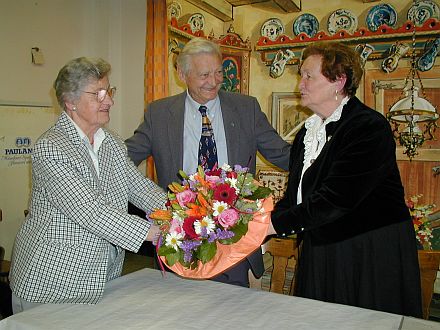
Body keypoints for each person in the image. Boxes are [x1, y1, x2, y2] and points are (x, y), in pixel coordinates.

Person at [268, 42, 422, 317]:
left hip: (367, 251)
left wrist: (272, 224)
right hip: (324, 245)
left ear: (339, 81)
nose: (300, 84)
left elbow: (336, 199)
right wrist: (258, 222)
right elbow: (295, 196)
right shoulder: (308, 132)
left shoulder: (367, 126)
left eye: (308, 76)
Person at [125, 37, 290, 287]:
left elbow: (282, 154)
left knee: (231, 316)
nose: (213, 82)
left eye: (218, 73)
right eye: (204, 75)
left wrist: (326, 162)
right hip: (182, 240)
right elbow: (125, 157)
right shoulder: (159, 114)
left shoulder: (246, 109)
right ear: (182, 73)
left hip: (233, 239)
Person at [9, 57, 166, 313]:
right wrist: (157, 232)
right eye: (98, 93)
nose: (110, 100)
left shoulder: (111, 141)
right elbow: (90, 212)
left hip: (99, 277)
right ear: (70, 102)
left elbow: (138, 187)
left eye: (110, 91)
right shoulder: (51, 147)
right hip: (51, 282)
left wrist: (181, 213)